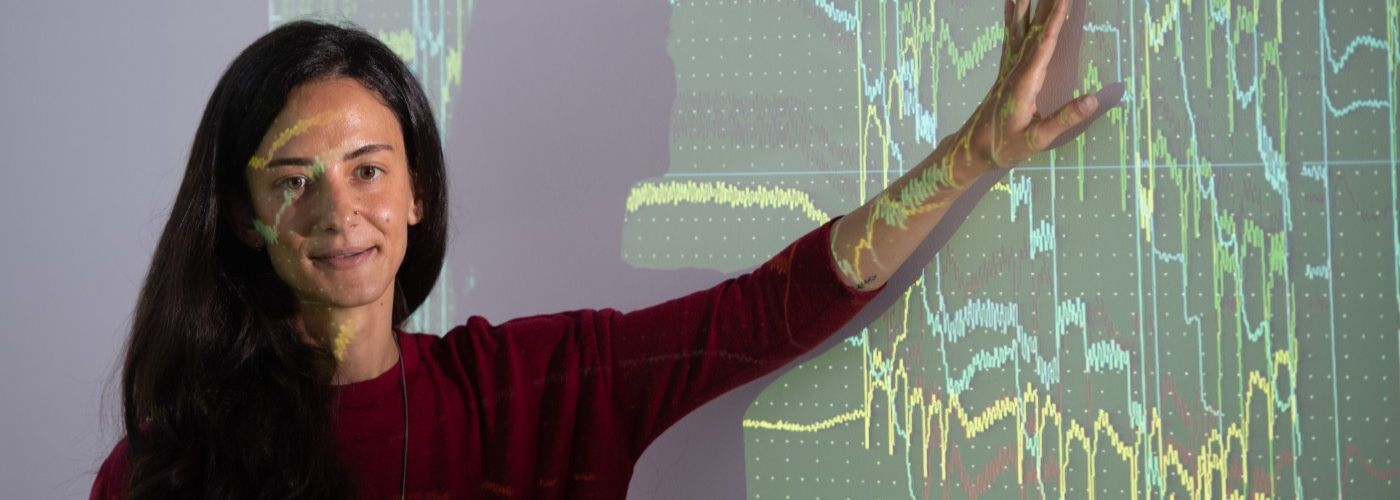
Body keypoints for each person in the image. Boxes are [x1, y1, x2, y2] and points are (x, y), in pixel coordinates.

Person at [90, 0, 1097, 497]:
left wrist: (968, 155)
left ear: (418, 191)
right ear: (239, 214)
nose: (336, 211)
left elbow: (763, 312)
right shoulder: (158, 469)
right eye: (292, 179)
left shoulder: (527, 387)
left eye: (367, 167)